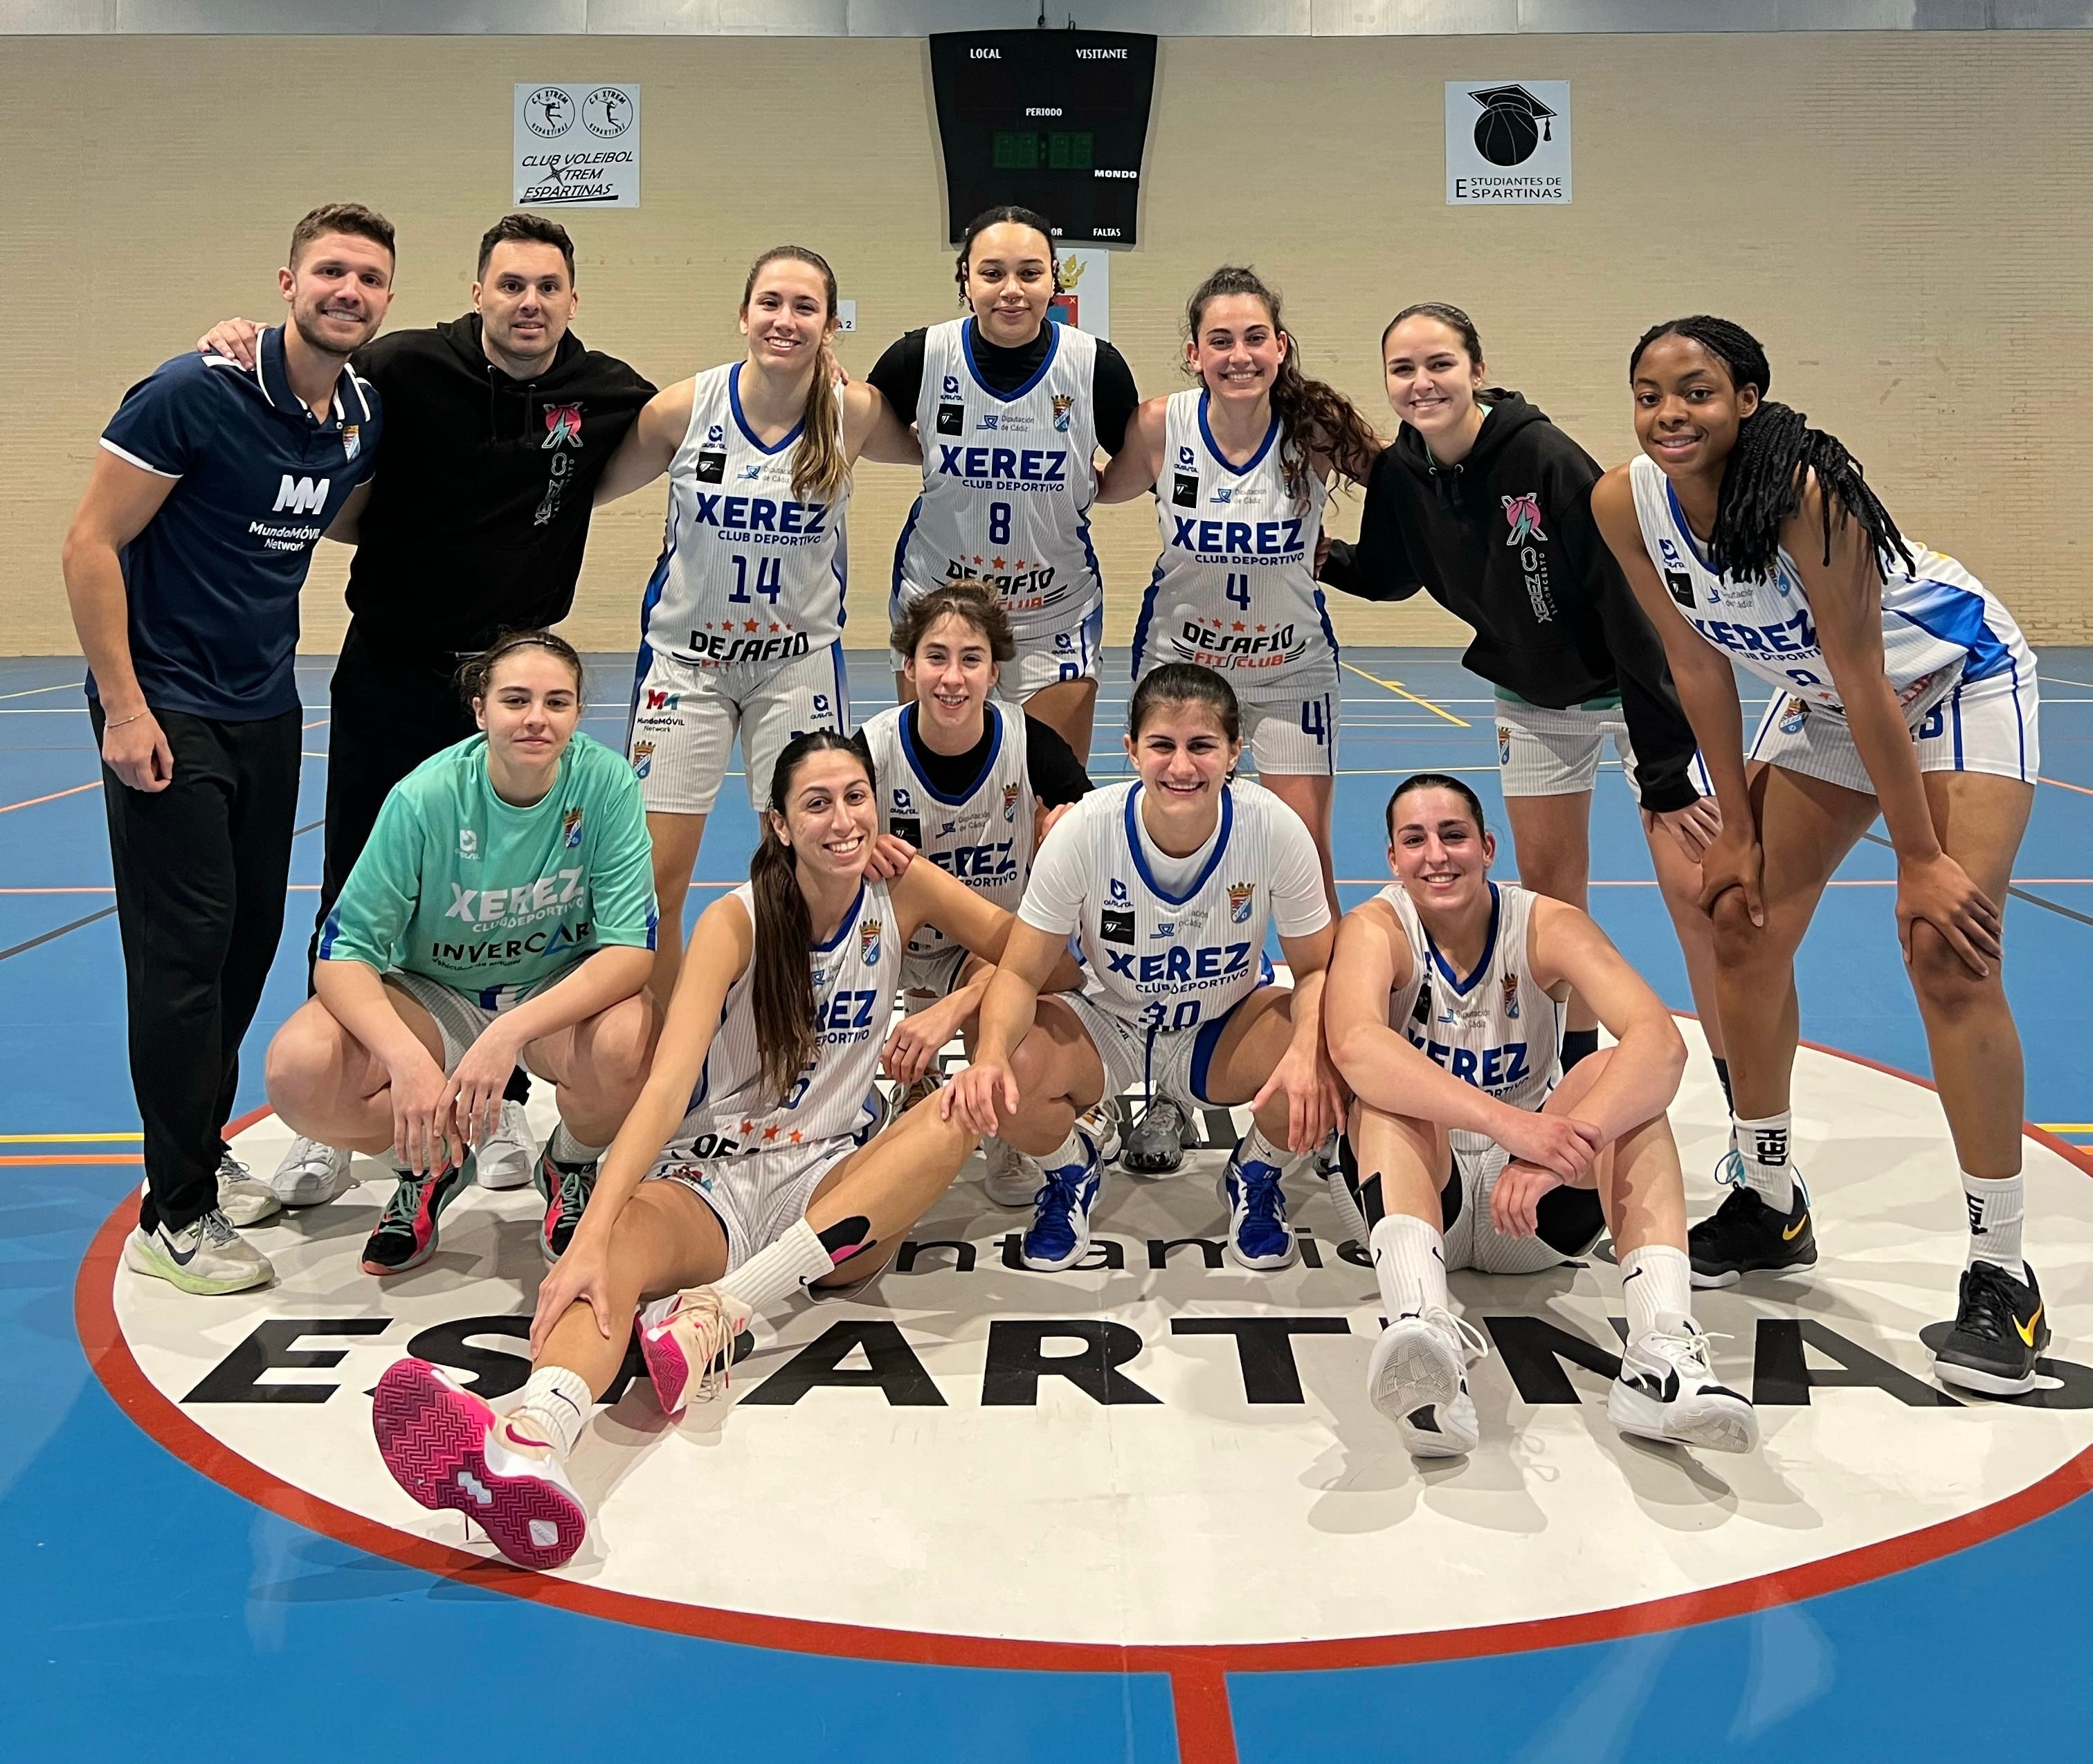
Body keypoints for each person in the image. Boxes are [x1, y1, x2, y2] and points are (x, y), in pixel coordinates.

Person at [368, 730, 1080, 1569]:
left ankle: (723, 1311)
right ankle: (530, 1438)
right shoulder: (733, 922)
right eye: (817, 803)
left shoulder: (902, 886)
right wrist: (595, 1228)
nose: (843, 819)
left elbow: (1048, 962)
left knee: (959, 1109)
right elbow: (666, 1090)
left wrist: (956, 1003)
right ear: (779, 825)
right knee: (614, 1258)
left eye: (857, 797)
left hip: (835, 1185)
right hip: (714, 1173)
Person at [1591, 315, 2046, 1398]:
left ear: (1748, 397)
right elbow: (1697, 667)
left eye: (1696, 392)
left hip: (1954, 682)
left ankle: (2002, 1273)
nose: (1670, 414)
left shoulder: (1806, 492)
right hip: (1829, 704)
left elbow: (1867, 681)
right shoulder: (1627, 502)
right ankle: (1771, 1197)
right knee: (1735, 920)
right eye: (1650, 394)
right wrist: (1736, 832)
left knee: (1946, 948)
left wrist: (1921, 857)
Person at [197, 212, 658, 1206]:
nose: (528, 302)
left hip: (516, 685)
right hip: (397, 670)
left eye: (547, 286)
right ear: (478, 290)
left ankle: (511, 1102)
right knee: (357, 879)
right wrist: (236, 345)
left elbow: (699, 419)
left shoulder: (606, 389)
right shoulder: (404, 368)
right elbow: (301, 380)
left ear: (572, 298)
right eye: (510, 285)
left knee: (536, 898)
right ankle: (336, 1126)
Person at [62, 202, 392, 1296]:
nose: (350, 291)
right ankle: (175, 1213)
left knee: (249, 940)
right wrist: (122, 707)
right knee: (184, 951)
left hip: (264, 703)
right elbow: (91, 541)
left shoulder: (356, 415)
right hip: (166, 702)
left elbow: (344, 513)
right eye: (332, 272)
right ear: (289, 282)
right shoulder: (193, 391)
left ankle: (199, 1158)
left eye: (371, 278)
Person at [1320, 302, 1729, 1111]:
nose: (1422, 382)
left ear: (1475, 368)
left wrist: (1664, 772)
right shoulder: (1403, 473)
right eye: (1403, 370)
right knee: (1551, 897)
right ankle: (1569, 1074)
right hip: (1532, 697)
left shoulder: (1541, 456)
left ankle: (1741, 1089)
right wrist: (1315, 551)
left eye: (1439, 363)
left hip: (1634, 686)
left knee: (1699, 895)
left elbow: (1628, 610)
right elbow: (1391, 573)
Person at [1325, 773, 1757, 1459]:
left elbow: (1661, 1044)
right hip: (1416, 1184)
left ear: (1488, 845)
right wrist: (1511, 1125)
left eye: (1454, 835)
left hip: (1530, 1203)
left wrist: (1549, 1147)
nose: (1436, 854)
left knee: (1618, 1080)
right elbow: (1354, 1044)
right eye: (1416, 840)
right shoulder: (1377, 925)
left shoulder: (1545, 923)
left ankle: (1661, 1354)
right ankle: (1421, 1329)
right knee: (1387, 1093)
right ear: (1392, 859)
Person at [1096, 264, 1378, 1170]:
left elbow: (1412, 493)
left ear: (1279, 347)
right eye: (1221, 339)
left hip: (1292, 666)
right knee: (1176, 867)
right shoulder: (1158, 426)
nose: (1239, 353)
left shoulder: (1315, 432)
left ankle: (1327, 1071)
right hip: (1184, 673)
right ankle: (1164, 1090)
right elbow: (1082, 494)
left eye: (1255, 337)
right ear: (1194, 353)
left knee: (1306, 868)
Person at [264, 632, 657, 1276]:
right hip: (435, 990)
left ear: (579, 713)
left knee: (631, 1040)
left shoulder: (605, 784)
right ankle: (427, 1163)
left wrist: (510, 1031)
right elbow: (343, 955)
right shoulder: (425, 798)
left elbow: (628, 953)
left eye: (557, 702)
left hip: (546, 991)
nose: (537, 717)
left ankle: (570, 1163)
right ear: (480, 710)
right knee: (299, 1071)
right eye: (516, 699)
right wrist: (406, 1058)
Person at [592, 244, 917, 999]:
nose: (785, 319)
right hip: (685, 665)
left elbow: (946, 445)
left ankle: (794, 1043)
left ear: (829, 325)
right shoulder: (684, 408)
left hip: (794, 665)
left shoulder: (854, 412)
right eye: (771, 302)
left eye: (805, 307)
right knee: (656, 882)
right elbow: (587, 489)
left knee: (809, 871)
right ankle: (669, 1055)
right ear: (743, 314)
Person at [945, 666, 1342, 1273]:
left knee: (1325, 1041)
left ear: (1236, 752)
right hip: (1113, 1022)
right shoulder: (1085, 831)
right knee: (1005, 1064)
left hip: (1222, 1024)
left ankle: (1256, 1173)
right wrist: (993, 1054)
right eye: (1163, 745)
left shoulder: (1273, 828)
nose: (1181, 767)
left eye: (1202, 746)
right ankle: (1071, 1171)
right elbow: (1021, 974)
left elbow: (1315, 970)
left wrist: (1304, 1057)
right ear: (1131, 750)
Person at [872, 205, 1142, 763]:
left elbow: (1141, 462)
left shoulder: (1096, 368)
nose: (1011, 290)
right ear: (966, 280)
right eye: (992, 273)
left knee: (1053, 801)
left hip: (1054, 611)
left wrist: (1093, 487)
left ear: (1054, 279)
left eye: (1030, 273)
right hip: (939, 608)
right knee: (932, 790)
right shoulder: (920, 357)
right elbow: (858, 428)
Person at [860, 583, 1096, 1200]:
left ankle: (1000, 1126)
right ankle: (841, 1110)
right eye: (936, 656)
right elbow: (799, 839)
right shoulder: (872, 747)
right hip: (892, 938)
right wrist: (854, 847)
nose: (952, 677)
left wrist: (1070, 827)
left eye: (971, 658)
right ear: (908, 667)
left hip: (987, 949)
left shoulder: (1030, 742)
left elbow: (1108, 831)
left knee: (1019, 976)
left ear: (995, 670)